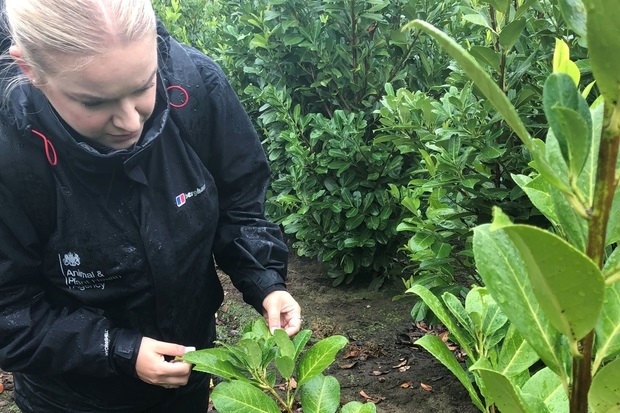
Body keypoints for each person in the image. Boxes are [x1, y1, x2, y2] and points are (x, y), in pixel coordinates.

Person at [0, 0, 302, 411]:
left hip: (187, 370)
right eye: (94, 102)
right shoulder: (11, 154)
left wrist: (266, 282)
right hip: (72, 397)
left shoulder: (195, 86)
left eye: (144, 85)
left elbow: (239, 202)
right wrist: (117, 349)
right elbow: (9, 311)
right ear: (29, 69)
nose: (130, 122)